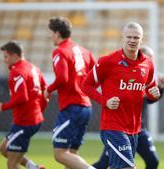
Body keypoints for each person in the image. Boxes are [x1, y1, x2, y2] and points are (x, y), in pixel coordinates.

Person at [82, 22, 161, 169]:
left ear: (142, 39)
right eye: (129, 37)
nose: (132, 40)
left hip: (135, 129)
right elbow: (86, 85)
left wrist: (155, 92)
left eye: (136, 37)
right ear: (122, 38)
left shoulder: (148, 64)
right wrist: (105, 101)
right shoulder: (107, 61)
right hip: (113, 127)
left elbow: (150, 90)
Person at [92, 46, 164, 169]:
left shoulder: (146, 75)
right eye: (149, 57)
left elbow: (149, 100)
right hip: (118, 128)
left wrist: (161, 89)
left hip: (138, 130)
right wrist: (106, 101)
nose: (151, 61)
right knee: (103, 165)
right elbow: (87, 84)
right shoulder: (125, 73)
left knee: (153, 161)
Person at [44, 16, 96, 169]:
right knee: (71, 155)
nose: (50, 36)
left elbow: (62, 78)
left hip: (72, 107)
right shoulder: (84, 51)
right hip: (86, 107)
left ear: (58, 33)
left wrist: (48, 89)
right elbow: (95, 75)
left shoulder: (60, 51)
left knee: (60, 154)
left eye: (51, 32)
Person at [0, 40, 47, 169]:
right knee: (3, 148)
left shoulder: (16, 72)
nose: (4, 60)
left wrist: (2, 107)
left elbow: (22, 97)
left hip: (24, 122)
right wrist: (38, 111)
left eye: (6, 57)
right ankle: (34, 167)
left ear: (15, 56)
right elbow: (45, 92)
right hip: (33, 119)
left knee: (12, 164)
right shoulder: (34, 68)